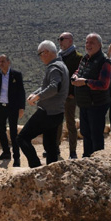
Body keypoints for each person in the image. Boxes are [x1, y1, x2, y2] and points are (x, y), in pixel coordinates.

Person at [17, 40, 69, 168]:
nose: (40, 57)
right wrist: (35, 93)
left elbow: (53, 87)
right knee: (50, 145)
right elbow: (47, 86)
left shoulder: (54, 67)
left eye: (40, 54)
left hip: (47, 112)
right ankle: (52, 172)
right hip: (57, 113)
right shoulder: (61, 65)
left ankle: (35, 167)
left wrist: (38, 96)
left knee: (22, 138)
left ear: (46, 52)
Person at [71, 34, 111, 158]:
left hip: (97, 104)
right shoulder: (85, 58)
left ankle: (98, 160)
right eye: (87, 42)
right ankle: (86, 158)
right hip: (85, 103)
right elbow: (79, 71)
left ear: (99, 45)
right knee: (85, 133)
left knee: (96, 135)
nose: (88, 45)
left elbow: (104, 84)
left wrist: (85, 82)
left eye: (92, 43)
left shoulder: (105, 61)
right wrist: (75, 76)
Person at [57, 32, 83, 159]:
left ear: (70, 41)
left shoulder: (78, 57)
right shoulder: (57, 57)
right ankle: (55, 148)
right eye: (59, 39)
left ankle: (72, 151)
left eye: (62, 39)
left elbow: (79, 75)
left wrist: (72, 93)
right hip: (58, 96)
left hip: (70, 96)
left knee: (70, 123)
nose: (60, 41)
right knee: (57, 122)